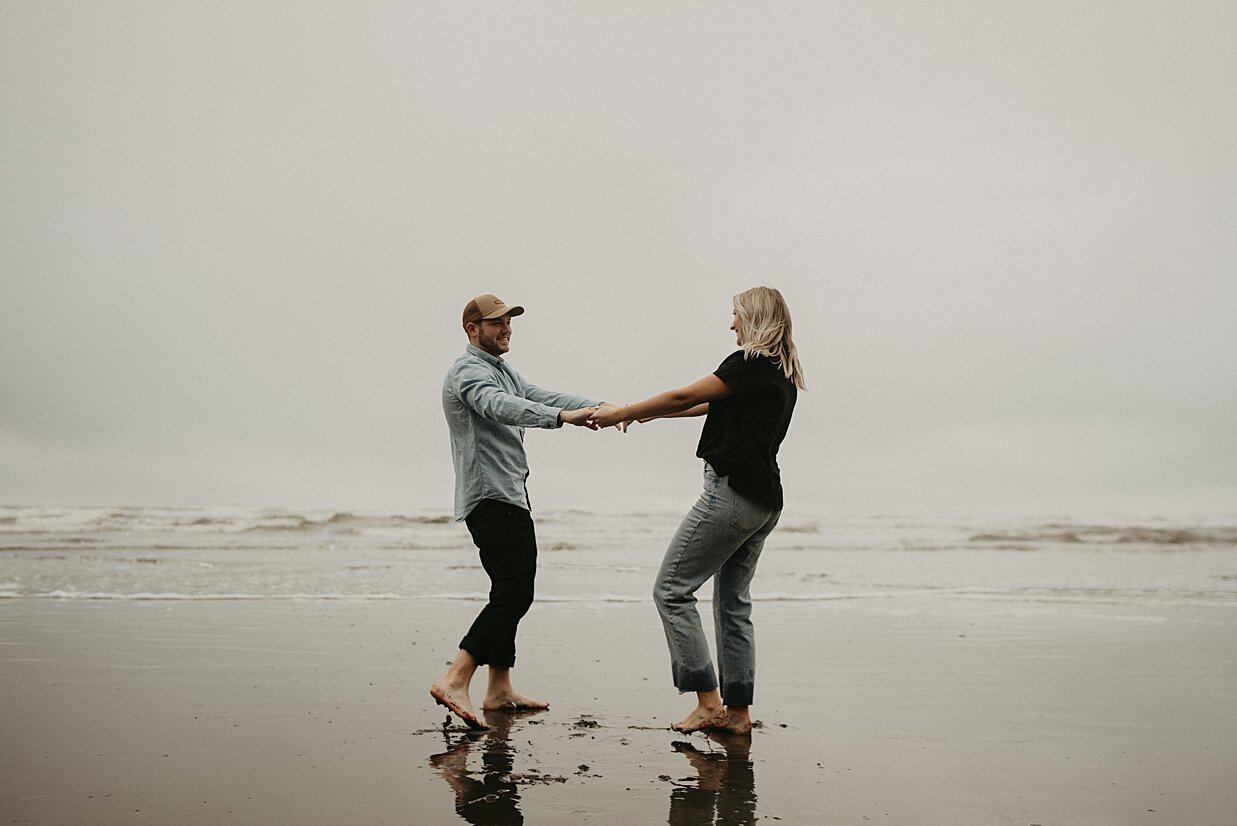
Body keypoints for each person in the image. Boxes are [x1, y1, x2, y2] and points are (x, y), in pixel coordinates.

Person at [590, 286, 804, 734]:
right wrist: (647, 415)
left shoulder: (750, 362)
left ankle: (708, 701)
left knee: (670, 590)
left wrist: (622, 411)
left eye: (736, 315)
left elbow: (684, 396)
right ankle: (738, 714)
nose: (732, 324)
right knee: (733, 606)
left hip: (731, 496)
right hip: (765, 503)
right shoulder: (781, 374)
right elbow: (707, 405)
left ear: (755, 317)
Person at [430, 293, 601, 730]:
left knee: (505, 589)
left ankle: (499, 688)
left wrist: (602, 406)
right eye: (496, 323)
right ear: (473, 329)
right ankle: (455, 677)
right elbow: (500, 406)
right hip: (491, 497)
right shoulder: (468, 372)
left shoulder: (502, 371)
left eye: (508, 322)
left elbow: (539, 394)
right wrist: (564, 417)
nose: (506, 328)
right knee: (516, 592)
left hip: (507, 495)